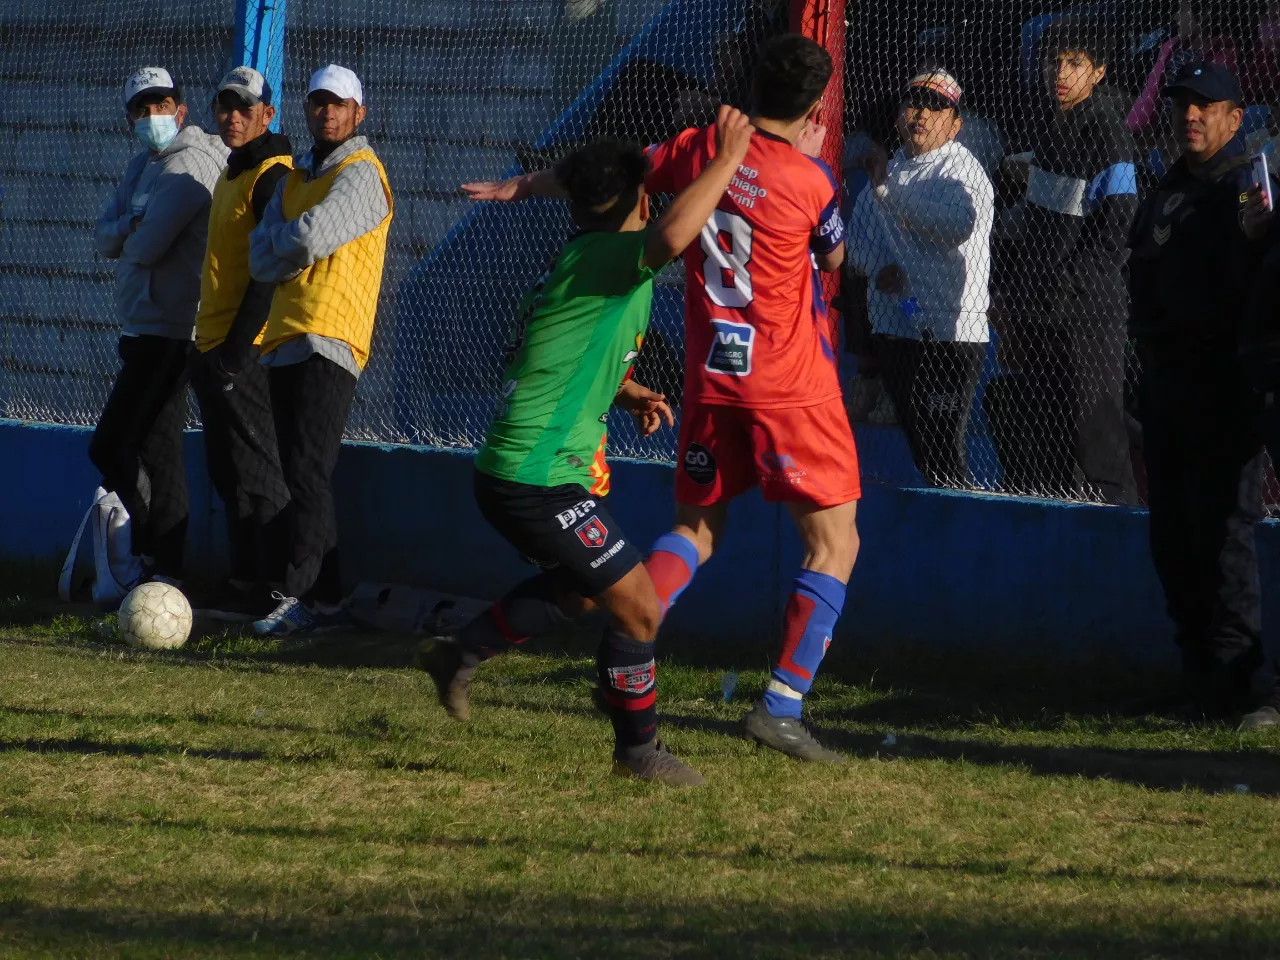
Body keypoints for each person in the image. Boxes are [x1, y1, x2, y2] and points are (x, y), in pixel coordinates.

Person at [425, 110, 757, 786]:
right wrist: (725, 161)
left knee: (582, 595)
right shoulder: (615, 256)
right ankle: (638, 753)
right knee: (638, 605)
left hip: (518, 470)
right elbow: (668, 236)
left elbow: (565, 352)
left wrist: (625, 388)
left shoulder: (585, 252)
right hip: (538, 478)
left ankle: (460, 651)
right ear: (642, 199)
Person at [1128, 60, 1280, 729]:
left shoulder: (1245, 191)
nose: (1190, 116)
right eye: (1182, 105)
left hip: (1224, 388)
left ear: (1234, 117)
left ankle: (1234, 683)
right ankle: (1195, 680)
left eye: (1205, 106)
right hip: (1165, 386)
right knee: (1173, 538)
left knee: (1224, 537)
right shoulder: (1168, 189)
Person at [248, 65, 393, 637]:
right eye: (317, 103)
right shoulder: (295, 176)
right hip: (286, 332)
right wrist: (289, 244)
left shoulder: (362, 174)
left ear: (359, 112)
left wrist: (286, 244)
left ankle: (303, 595)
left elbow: (309, 238)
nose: (326, 112)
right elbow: (259, 256)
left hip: (331, 334)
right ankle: (329, 601)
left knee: (308, 469)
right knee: (302, 472)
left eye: (338, 104)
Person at [990, 19, 1139, 504]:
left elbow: (1118, 228)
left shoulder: (1109, 134)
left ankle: (1118, 534)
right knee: (1050, 439)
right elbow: (1037, 227)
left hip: (1087, 314)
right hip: (1043, 309)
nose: (1062, 72)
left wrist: (1069, 283)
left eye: (1075, 62)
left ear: (1098, 71)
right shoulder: (1053, 129)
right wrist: (1017, 296)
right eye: (1057, 61)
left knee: (1097, 441)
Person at [90, 67, 228, 587]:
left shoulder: (189, 163)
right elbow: (106, 237)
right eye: (141, 109)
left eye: (161, 105)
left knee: (112, 445)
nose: (152, 117)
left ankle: (151, 552)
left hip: (172, 331)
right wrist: (130, 227)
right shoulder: (142, 165)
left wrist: (130, 233)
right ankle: (161, 565)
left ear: (181, 108)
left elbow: (147, 248)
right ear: (129, 118)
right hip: (143, 326)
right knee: (154, 448)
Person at [848, 69, 994, 488]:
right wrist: (877, 267)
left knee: (946, 449)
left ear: (956, 122)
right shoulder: (891, 169)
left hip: (950, 334)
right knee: (920, 447)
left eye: (936, 106)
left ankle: (962, 523)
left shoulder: (963, 172)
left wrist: (888, 195)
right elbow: (857, 237)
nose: (923, 113)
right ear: (899, 115)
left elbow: (953, 226)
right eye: (914, 102)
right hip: (894, 326)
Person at [189, 67, 294, 622]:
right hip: (210, 341)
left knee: (258, 468)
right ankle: (241, 578)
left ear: (267, 116)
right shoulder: (233, 170)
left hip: (244, 345)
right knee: (227, 468)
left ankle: (274, 586)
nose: (232, 117)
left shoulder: (272, 175)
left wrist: (236, 349)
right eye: (224, 106)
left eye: (244, 108)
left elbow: (269, 270)